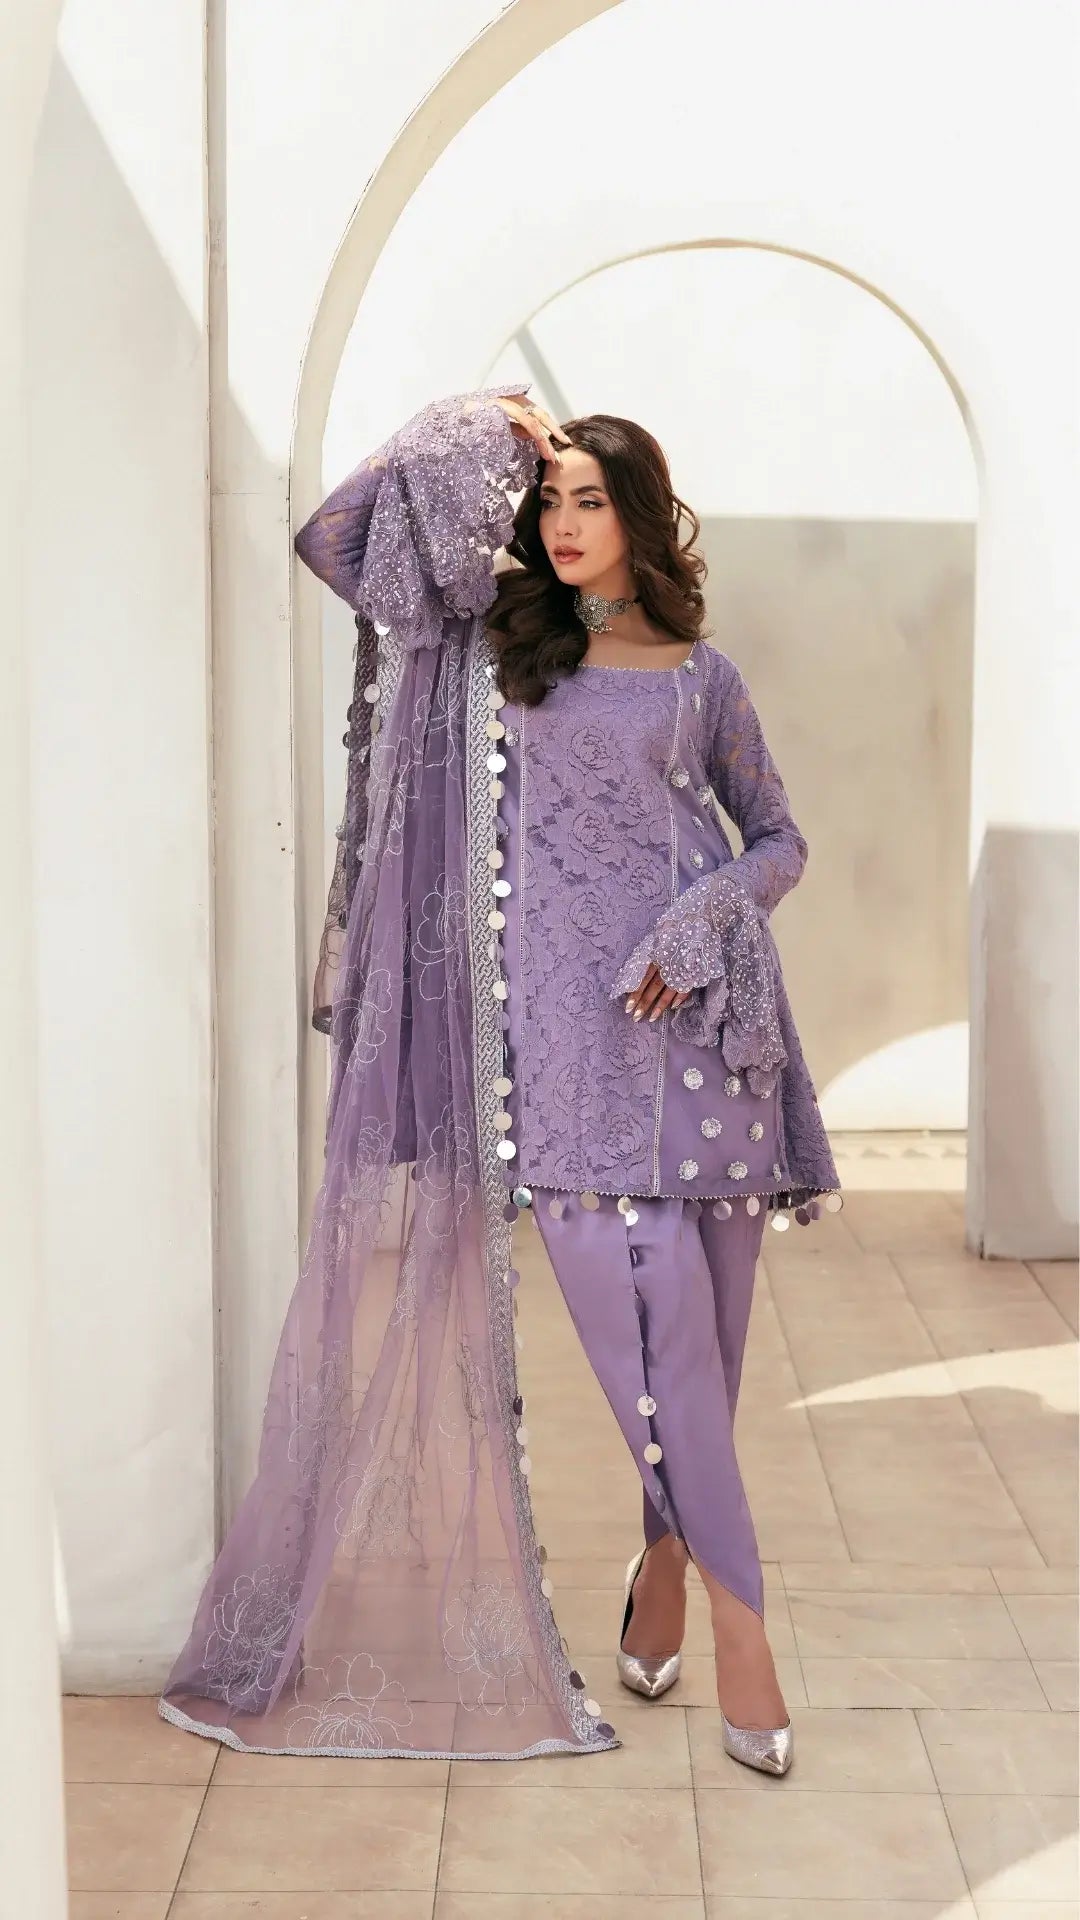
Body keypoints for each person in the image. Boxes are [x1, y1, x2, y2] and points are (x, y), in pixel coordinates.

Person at [157, 383, 840, 1774]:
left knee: (694, 1363)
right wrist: (473, 422)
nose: (564, 519)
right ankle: (745, 1637)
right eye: (552, 496)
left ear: (646, 521)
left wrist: (696, 922)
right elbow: (337, 538)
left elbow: (774, 839)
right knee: (651, 1366)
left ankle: (661, 1564)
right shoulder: (486, 653)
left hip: (710, 1053)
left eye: (592, 497)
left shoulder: (704, 680)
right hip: (570, 1066)